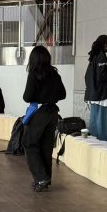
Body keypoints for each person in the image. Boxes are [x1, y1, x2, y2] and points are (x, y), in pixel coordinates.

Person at [23, 45, 66, 192]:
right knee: (46, 147)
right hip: (52, 113)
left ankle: (41, 178)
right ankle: (45, 179)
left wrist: (39, 97)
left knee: (29, 143)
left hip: (39, 113)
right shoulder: (55, 74)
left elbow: (27, 96)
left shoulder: (34, 74)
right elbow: (63, 94)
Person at [84, 35, 107, 142]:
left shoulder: (93, 57)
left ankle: (95, 146)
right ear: (106, 45)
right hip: (103, 96)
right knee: (105, 126)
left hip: (95, 96)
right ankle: (106, 146)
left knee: (95, 126)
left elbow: (88, 76)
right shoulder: (101, 56)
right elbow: (102, 76)